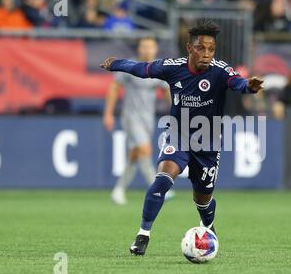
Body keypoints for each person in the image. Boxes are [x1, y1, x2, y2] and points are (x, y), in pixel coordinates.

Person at [100, 19, 263, 256]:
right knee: (163, 179)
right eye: (201, 48)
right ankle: (143, 234)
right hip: (178, 135)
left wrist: (249, 86)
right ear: (189, 48)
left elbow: (237, 82)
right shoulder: (172, 67)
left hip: (208, 142)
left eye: (211, 49)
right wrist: (117, 64)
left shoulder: (220, 70)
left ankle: (207, 225)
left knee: (203, 200)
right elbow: (142, 69)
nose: (207, 54)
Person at [103, 37, 173, 205]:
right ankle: (158, 188)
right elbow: (114, 87)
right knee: (145, 149)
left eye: (150, 46)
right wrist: (108, 113)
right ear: (139, 49)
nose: (147, 49)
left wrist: (176, 112)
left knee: (135, 155)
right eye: (144, 46)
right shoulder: (130, 67)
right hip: (131, 117)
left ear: (156, 49)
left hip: (147, 119)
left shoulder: (158, 69)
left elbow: (167, 91)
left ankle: (118, 190)